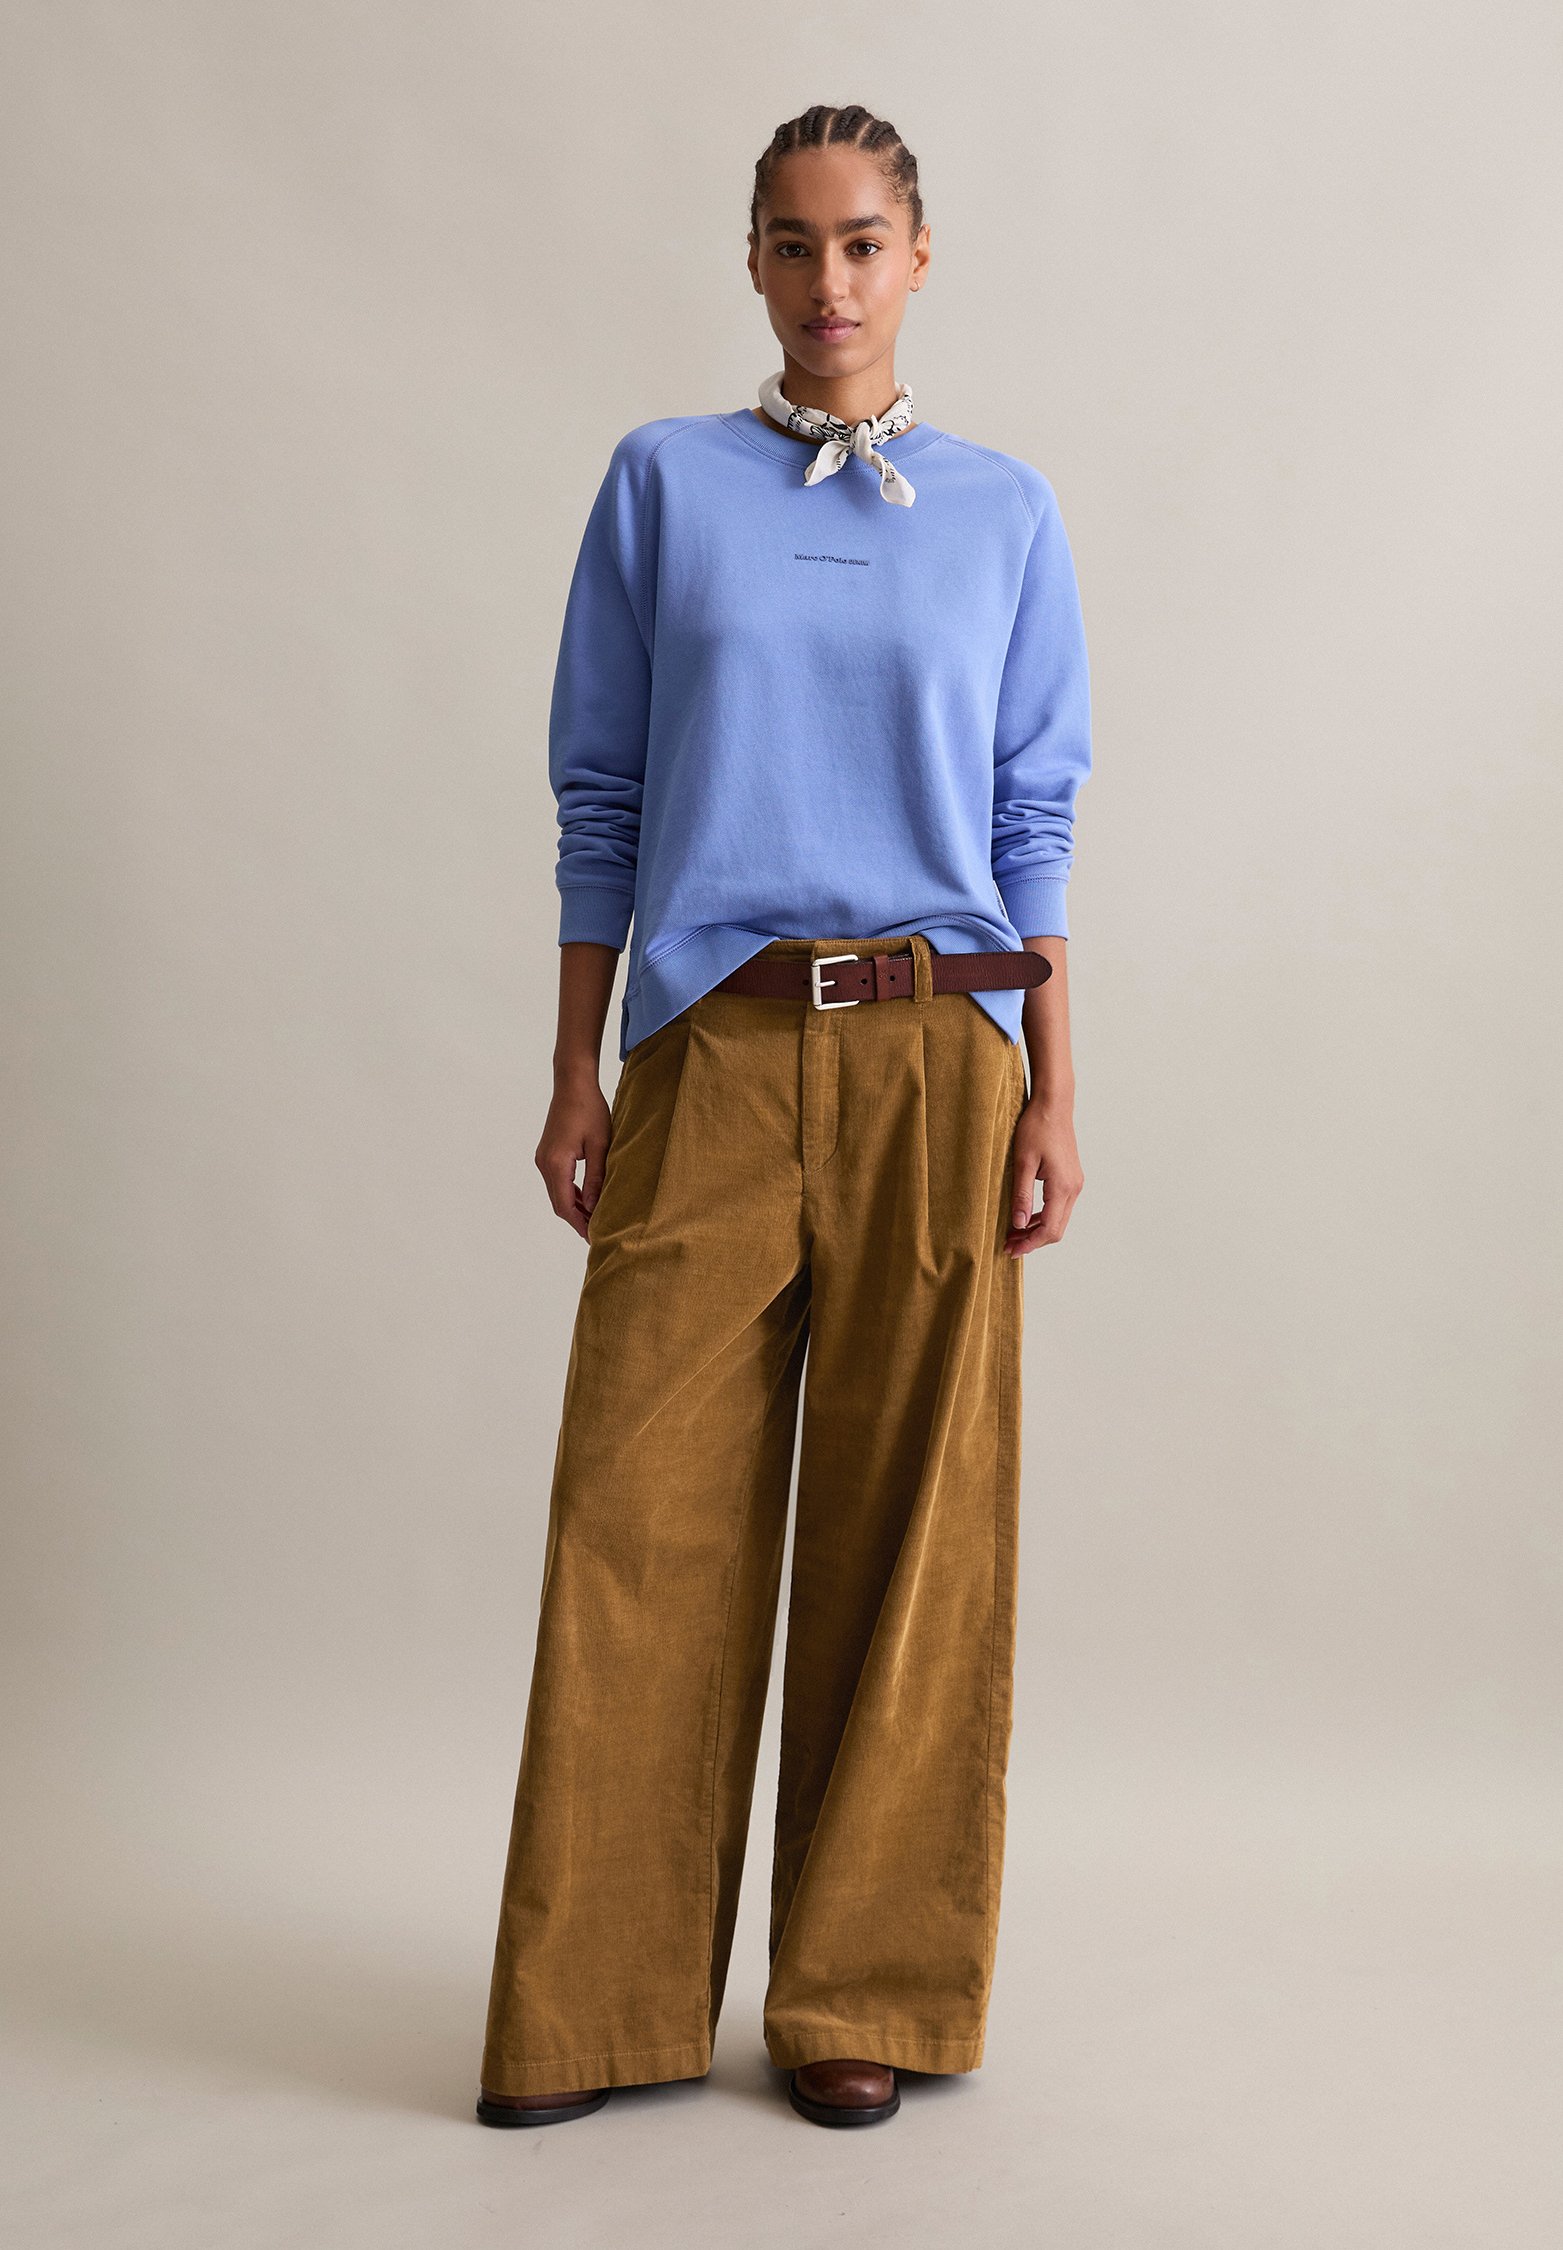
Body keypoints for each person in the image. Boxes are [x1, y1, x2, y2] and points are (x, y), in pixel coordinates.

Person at [475, 100, 1091, 2132]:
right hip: (715, 1050)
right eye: (791, 243)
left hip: (939, 1052)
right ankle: (594, 2007)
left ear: (917, 259)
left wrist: (1055, 1091)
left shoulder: (1005, 513)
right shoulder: (663, 485)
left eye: (862, 242)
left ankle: (863, 1994)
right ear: (750, 261)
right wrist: (575, 1063)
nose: (829, 282)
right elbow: (602, 793)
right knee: (636, 1518)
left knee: (916, 1539)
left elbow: (1030, 819)